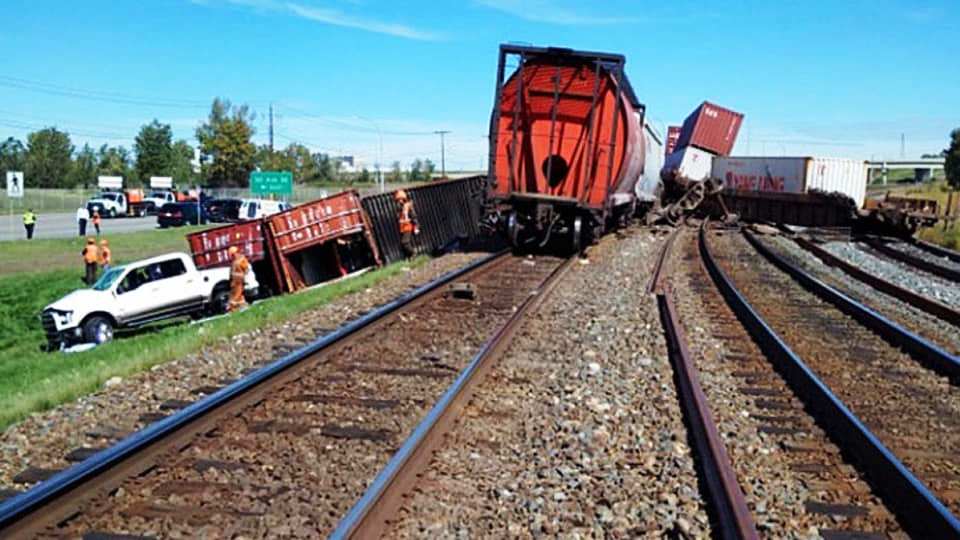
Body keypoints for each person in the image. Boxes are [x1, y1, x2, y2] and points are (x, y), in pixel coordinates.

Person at [395, 190, 418, 258]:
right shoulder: (400, 208)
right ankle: (409, 256)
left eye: (399, 199)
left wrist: (416, 226)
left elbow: (413, 216)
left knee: (405, 242)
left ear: (403, 199)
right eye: (397, 200)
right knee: (405, 243)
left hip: (408, 227)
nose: (398, 201)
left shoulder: (407, 206)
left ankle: (413, 253)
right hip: (403, 228)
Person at [227, 246, 250, 312]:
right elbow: (232, 272)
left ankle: (233, 310)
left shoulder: (241, 260)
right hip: (234, 282)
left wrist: (242, 277)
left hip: (239, 281)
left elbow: (246, 270)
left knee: (235, 297)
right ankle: (242, 308)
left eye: (231, 255)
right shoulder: (234, 261)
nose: (231, 256)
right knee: (237, 296)